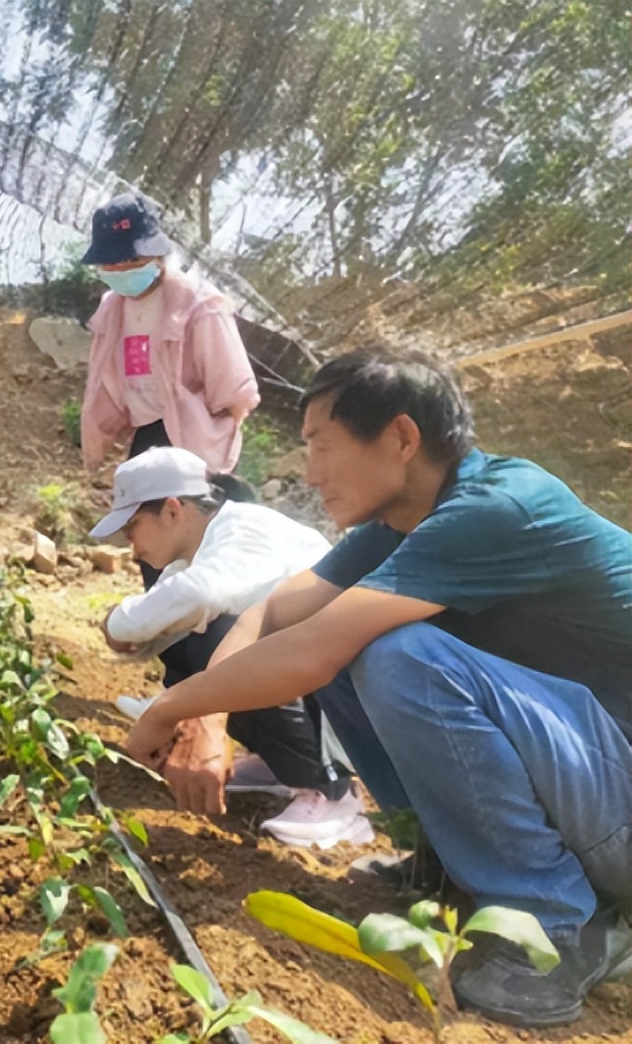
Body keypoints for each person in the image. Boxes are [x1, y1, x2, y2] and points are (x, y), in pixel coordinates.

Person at [123, 348, 631, 1028]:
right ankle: (449, 862)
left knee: (395, 654)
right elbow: (274, 613)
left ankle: (556, 923)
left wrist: (171, 706)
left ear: (400, 438)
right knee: (357, 641)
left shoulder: (499, 508)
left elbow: (308, 652)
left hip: (617, 795)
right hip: (591, 781)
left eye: (322, 446)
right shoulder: (399, 525)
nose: (310, 472)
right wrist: (207, 717)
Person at [91, 447, 367, 848]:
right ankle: (280, 767)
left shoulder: (244, 530)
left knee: (219, 637)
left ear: (172, 510)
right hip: (320, 687)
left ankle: (332, 792)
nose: (133, 548)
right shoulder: (200, 553)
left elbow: (203, 595)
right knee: (190, 642)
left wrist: (116, 622)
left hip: (347, 703)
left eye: (133, 527)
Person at [78, 193, 259, 593]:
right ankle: (169, 644)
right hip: (147, 438)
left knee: (198, 553)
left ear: (155, 254)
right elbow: (105, 380)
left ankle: (209, 649)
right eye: (113, 262)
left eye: (131, 261)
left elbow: (234, 394)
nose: (121, 269)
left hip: (191, 443)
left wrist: (210, 451)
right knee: (150, 548)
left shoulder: (198, 304)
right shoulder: (112, 308)